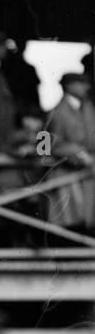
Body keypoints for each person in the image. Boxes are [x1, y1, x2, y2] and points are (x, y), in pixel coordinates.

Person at [44, 71, 95, 235]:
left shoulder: (88, 108)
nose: (86, 87)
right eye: (81, 83)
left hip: (88, 174)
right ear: (69, 86)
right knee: (72, 219)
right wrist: (80, 154)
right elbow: (50, 145)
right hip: (68, 173)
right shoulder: (57, 112)